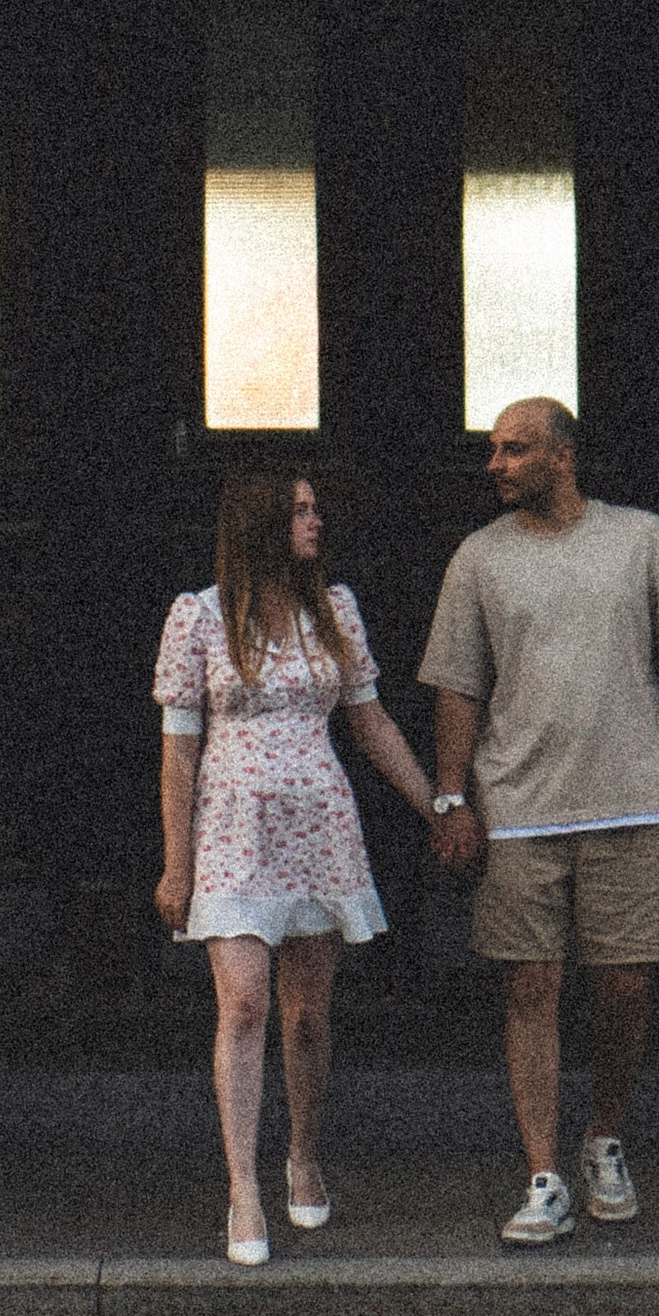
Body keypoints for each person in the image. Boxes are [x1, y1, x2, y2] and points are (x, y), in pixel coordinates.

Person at [420, 396, 659, 1246]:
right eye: (494, 450)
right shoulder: (479, 559)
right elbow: (456, 687)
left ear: (564, 456)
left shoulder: (642, 540)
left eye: (514, 450)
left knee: (625, 983)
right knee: (531, 984)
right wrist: (451, 798)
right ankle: (543, 1173)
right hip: (519, 809)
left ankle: (604, 1138)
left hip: (630, 799)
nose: (495, 465)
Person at [154, 469, 437, 1264]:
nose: (316, 522)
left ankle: (303, 1152)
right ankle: (243, 1187)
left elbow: (371, 723)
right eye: (301, 511)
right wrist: (176, 866)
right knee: (245, 1004)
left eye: (315, 509)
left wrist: (436, 807)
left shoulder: (333, 610)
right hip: (233, 830)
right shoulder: (199, 616)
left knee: (307, 1012)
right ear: (263, 523)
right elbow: (179, 754)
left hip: (318, 826)